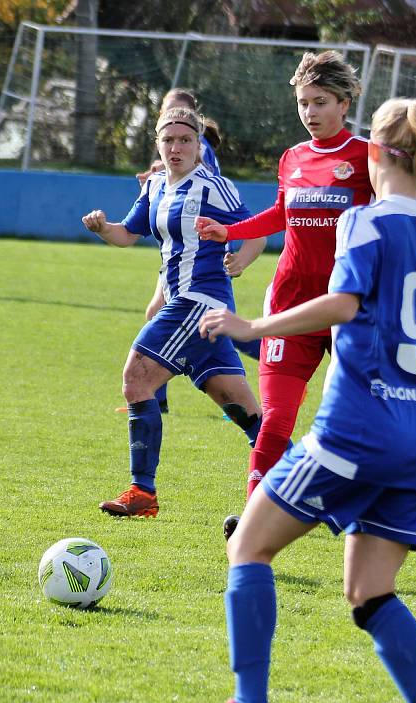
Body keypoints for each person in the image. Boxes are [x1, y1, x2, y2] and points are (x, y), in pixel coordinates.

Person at [165, 97, 416, 703]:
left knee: (247, 546)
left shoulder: (363, 222)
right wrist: (411, 386)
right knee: (368, 592)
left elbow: (342, 303)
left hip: (357, 431)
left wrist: (253, 326)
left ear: (377, 153)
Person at [195, 51, 374, 534]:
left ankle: (351, 507)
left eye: (320, 102)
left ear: (344, 101)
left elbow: (403, 212)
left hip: (350, 308)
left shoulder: (368, 158)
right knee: (275, 419)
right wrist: (227, 232)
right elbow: (281, 214)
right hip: (289, 306)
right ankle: (254, 518)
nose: (310, 113)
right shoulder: (293, 158)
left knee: (351, 421)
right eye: (302, 104)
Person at [82, 106, 266, 518]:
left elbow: (257, 229)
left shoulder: (213, 186)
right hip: (193, 308)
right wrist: (101, 227)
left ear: (199, 145)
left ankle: (142, 493)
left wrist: (242, 260)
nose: (176, 147)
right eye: (168, 140)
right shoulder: (155, 187)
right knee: (248, 416)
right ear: (158, 145)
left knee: (136, 377)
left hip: (199, 303)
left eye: (185, 140)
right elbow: (127, 235)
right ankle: (317, 492)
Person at [129, 88, 260, 417]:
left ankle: (277, 352)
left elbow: (224, 208)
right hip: (178, 257)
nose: (176, 140)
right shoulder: (164, 166)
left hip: (202, 262)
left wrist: (237, 253)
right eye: (166, 113)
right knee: (210, 332)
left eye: (179, 116)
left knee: (145, 361)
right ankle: (154, 398)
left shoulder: (201, 163)